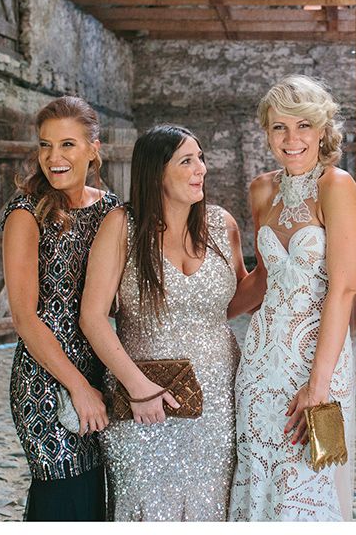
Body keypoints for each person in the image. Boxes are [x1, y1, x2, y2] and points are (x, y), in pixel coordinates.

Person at [79, 125, 246, 520]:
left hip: (216, 406)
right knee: (145, 508)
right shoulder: (122, 226)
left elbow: (235, 299)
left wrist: (287, 263)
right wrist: (139, 388)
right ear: (156, 173)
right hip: (142, 403)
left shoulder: (222, 225)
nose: (201, 169)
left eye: (200, 158)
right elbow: (92, 317)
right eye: (187, 161)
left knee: (209, 510)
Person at [227, 76, 356, 521]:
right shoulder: (261, 190)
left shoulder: (336, 186)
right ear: (266, 133)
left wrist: (318, 387)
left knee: (308, 483)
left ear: (322, 131)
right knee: (258, 477)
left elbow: (344, 288)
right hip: (260, 360)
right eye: (279, 127)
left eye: (303, 125)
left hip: (317, 360)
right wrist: (203, 313)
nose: (291, 139)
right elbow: (264, 279)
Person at [1, 96, 120, 520]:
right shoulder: (25, 213)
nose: (54, 158)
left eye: (67, 144)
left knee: (92, 498)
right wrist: (78, 387)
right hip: (46, 381)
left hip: (100, 371)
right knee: (63, 497)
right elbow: (24, 318)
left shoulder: (110, 209)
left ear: (93, 149)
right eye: (45, 145)